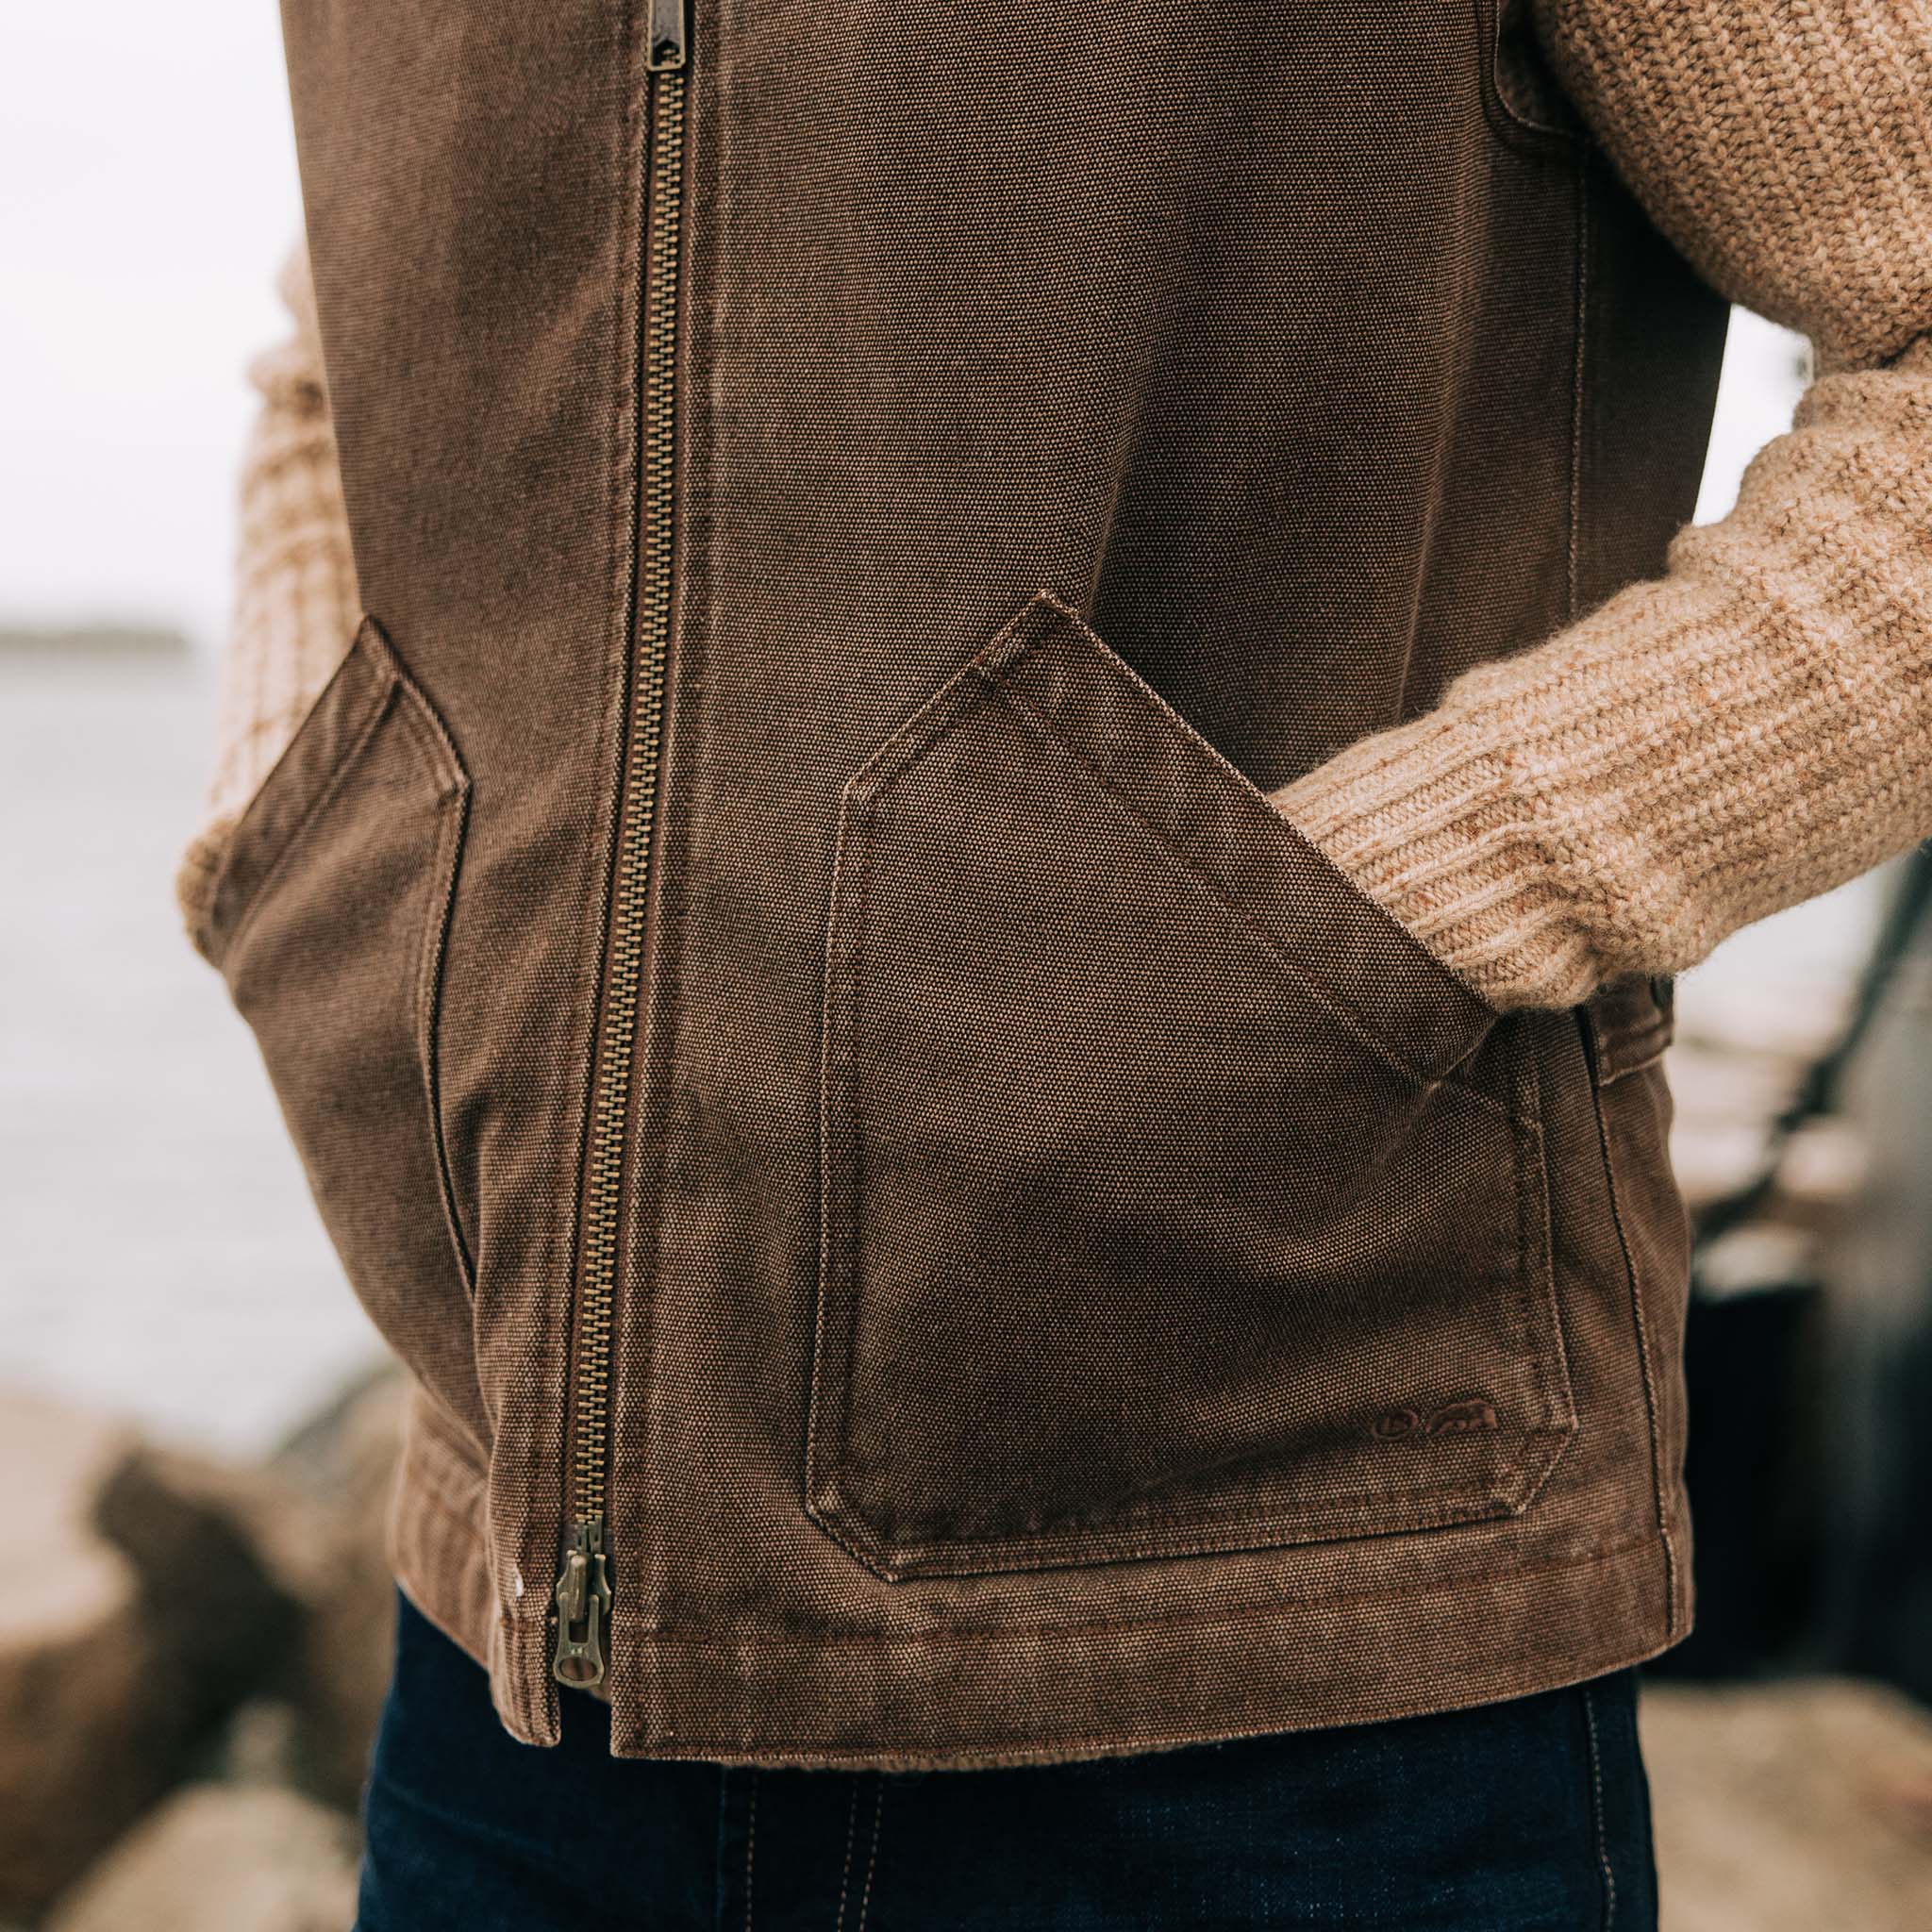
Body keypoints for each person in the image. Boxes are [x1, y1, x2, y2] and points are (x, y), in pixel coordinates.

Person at [181, 2, 1931, 1924]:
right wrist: (304, 813)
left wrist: (1376, 911)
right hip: (513, 1697)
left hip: (1282, 1691)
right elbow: (351, 356)